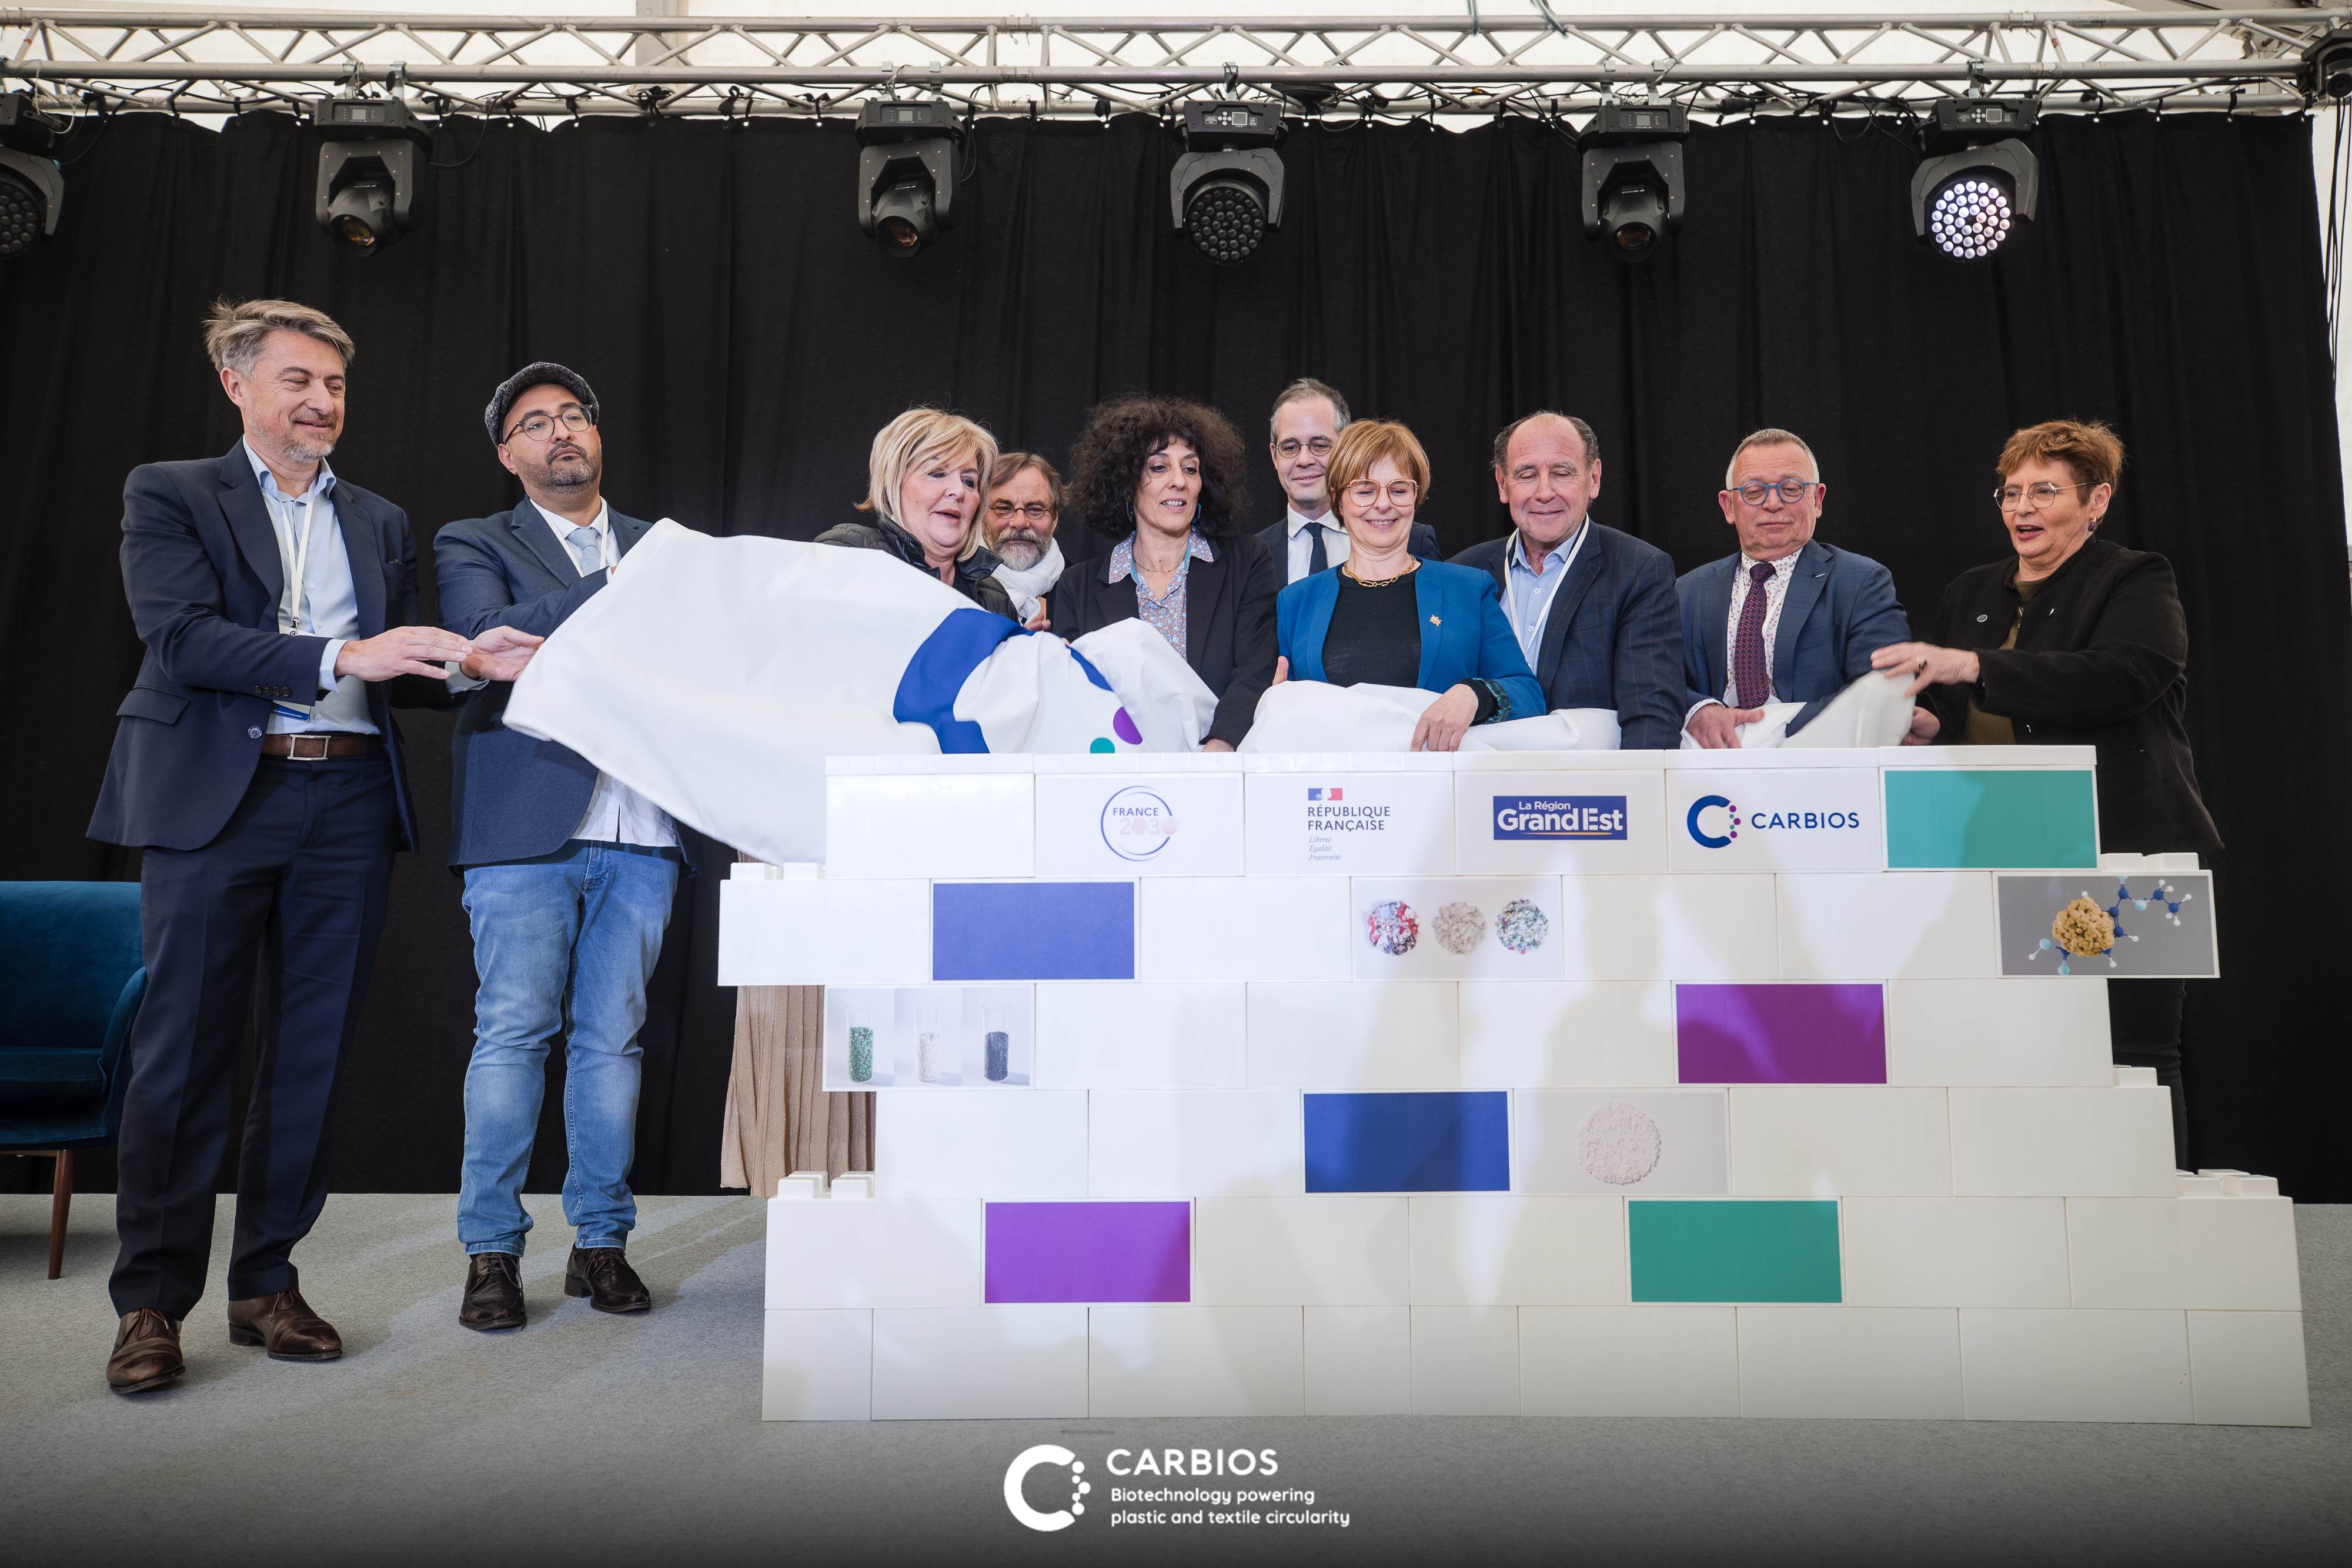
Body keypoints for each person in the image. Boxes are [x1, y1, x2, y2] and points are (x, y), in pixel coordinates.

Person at [88, 299, 537, 1395]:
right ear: (238, 385)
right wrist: (348, 647)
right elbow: (183, 638)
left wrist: (471, 666)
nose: (321, 403)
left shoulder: (378, 518)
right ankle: (151, 1301)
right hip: (215, 803)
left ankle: (266, 1283)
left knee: (311, 1055)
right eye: (298, 381)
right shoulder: (172, 492)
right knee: (181, 1055)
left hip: (344, 803)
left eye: (334, 385)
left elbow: (397, 679)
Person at [1871, 419, 2221, 1165]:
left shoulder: (2135, 576)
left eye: (2045, 491)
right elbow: (1969, 714)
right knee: (2013, 1052)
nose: (2022, 507)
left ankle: (2152, 1227)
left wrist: (1970, 667)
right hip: (1998, 855)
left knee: (2135, 1054)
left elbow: (2126, 674)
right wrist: (1931, 728)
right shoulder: (1973, 591)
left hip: (2120, 845)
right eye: (2012, 492)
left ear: (2095, 502)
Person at [433, 363, 700, 1332]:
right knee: (511, 1037)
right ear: (509, 454)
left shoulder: (659, 546)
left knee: (612, 1045)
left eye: (575, 415)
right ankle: (492, 1254)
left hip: (645, 827)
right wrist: (629, 588)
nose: (561, 432)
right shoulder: (475, 540)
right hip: (522, 827)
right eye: (536, 423)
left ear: (598, 435)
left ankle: (600, 1243)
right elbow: (482, 638)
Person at [1274, 419, 1541, 750]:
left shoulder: (1468, 590)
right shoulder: (1296, 602)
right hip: (1333, 796)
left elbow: (1529, 695)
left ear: (1417, 497)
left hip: (1441, 794)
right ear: (1337, 499)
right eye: (1364, 490)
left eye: (1399, 490)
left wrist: (1475, 694)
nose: (1383, 504)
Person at [1049, 396, 1279, 750]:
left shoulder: (1247, 562)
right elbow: (1076, 700)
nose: (1179, 482)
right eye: (1158, 468)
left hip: (1224, 768)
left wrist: (1220, 747)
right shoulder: (1076, 587)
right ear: (1126, 484)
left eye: (1190, 468)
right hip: (1119, 777)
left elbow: (1255, 672)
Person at [1449, 412, 1682, 748]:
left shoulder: (1639, 570)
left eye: (1562, 473)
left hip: (1585, 786)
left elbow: (1651, 713)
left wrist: (1639, 795)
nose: (1544, 492)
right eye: (1527, 475)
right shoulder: (1465, 573)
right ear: (1503, 484)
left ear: (1594, 478)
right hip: (1476, 780)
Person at [1679, 427, 1914, 747]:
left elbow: (1879, 690)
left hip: (1819, 762)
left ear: (1817, 500)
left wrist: (1763, 732)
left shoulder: (1862, 582)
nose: (1773, 503)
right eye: (1753, 491)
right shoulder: (1687, 591)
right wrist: (1698, 710)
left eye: (1791, 489)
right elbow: (1653, 681)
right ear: (1728, 507)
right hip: (1707, 769)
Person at [817, 409, 1015, 619]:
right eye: (937, 473)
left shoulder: (996, 599)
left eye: (969, 481)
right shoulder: (849, 555)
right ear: (893, 483)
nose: (958, 492)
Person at [1255, 378, 1436, 582]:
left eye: (1320, 445)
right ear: (1274, 456)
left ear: (1345, 450)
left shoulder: (1414, 540)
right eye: (1290, 447)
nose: (1304, 460)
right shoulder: (1253, 556)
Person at [984, 451, 1067, 623]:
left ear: (1054, 520)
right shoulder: (956, 584)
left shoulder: (1081, 591)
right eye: (1004, 509)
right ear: (981, 516)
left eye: (1035, 510)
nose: (1020, 523)